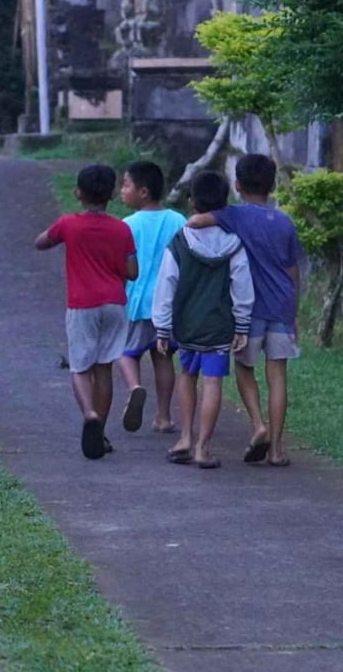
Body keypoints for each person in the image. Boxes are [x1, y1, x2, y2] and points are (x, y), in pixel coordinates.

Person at [187, 154, 303, 467]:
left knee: (244, 367)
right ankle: (277, 450)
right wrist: (294, 312)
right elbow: (293, 272)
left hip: (249, 308)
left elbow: (196, 221)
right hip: (281, 306)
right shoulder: (284, 221)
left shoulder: (235, 215)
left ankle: (258, 424)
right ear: (273, 185)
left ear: (237, 185)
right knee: (278, 375)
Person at [35, 164, 137, 460]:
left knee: (80, 367)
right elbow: (132, 271)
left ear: (78, 192)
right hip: (115, 303)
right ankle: (101, 432)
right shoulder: (122, 228)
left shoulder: (69, 224)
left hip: (83, 304)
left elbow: (40, 242)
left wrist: (60, 237)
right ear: (112, 195)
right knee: (104, 367)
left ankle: (90, 414)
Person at [152, 171, 252, 470]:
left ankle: (184, 437)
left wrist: (162, 325)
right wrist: (242, 323)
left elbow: (166, 283)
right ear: (224, 203)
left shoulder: (180, 240)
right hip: (219, 326)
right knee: (213, 382)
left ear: (191, 201)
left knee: (187, 375)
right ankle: (203, 447)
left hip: (187, 324)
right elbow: (242, 285)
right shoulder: (234, 242)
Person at [116, 160, 186, 433]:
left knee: (124, 352)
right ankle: (164, 416)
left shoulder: (128, 225)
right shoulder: (178, 220)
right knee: (163, 357)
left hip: (136, 302)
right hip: (168, 304)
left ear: (143, 191)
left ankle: (135, 387)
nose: (122, 190)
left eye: (126, 184)